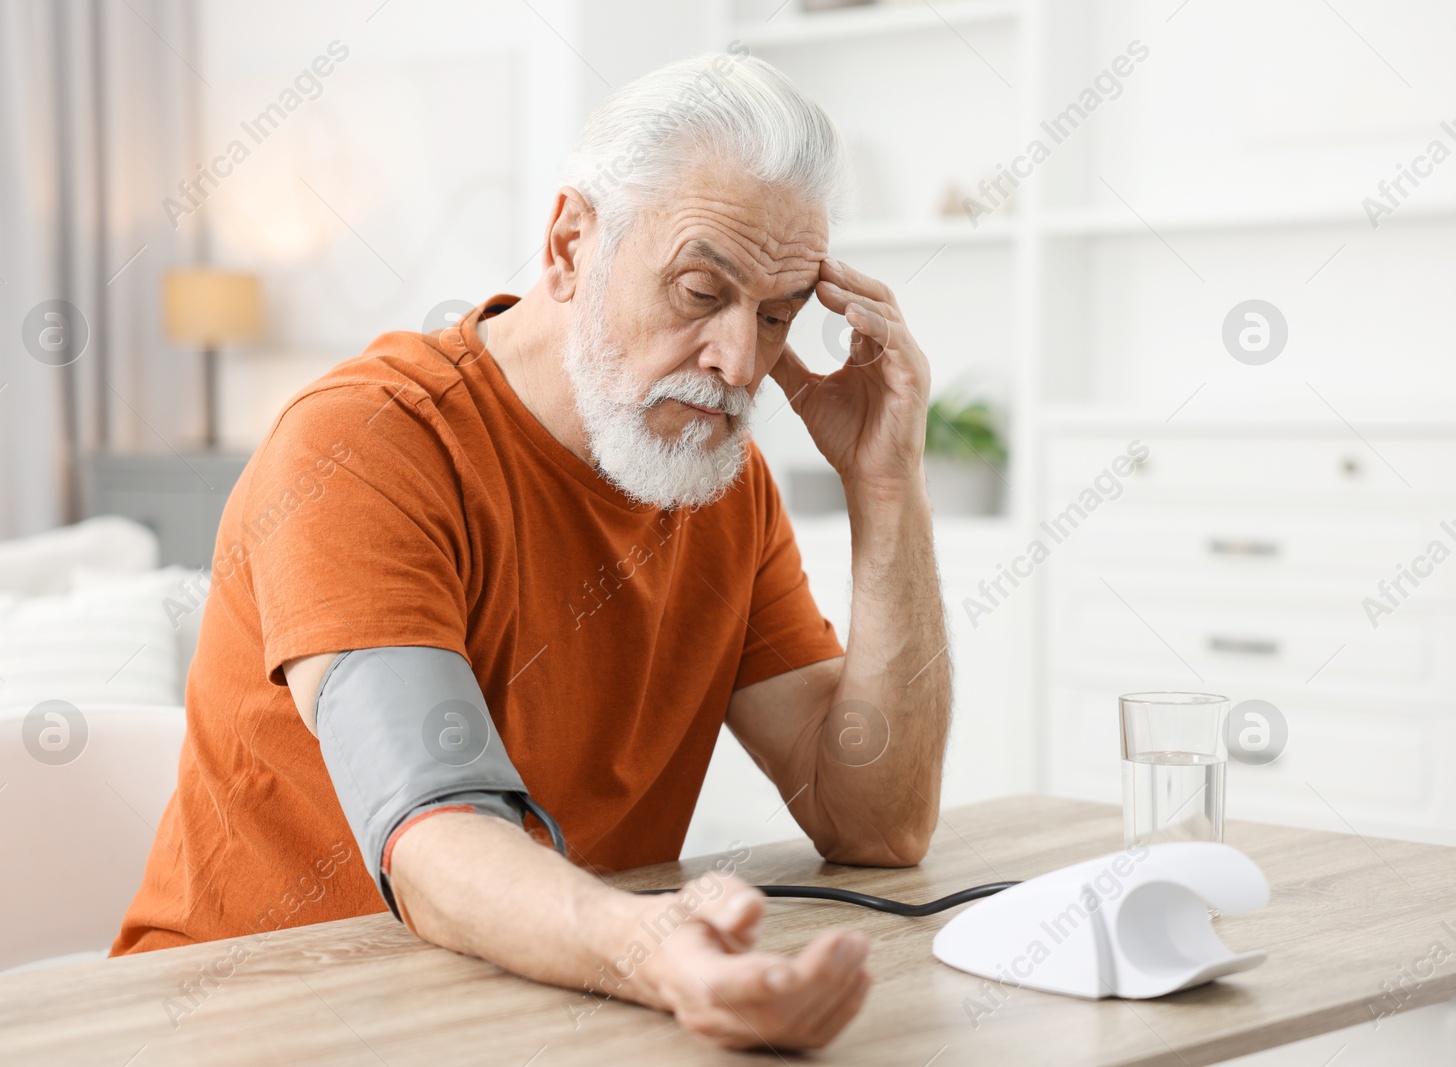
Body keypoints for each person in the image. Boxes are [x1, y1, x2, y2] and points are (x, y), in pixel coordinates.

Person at [112, 51, 950, 1051]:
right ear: (567, 245)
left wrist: (886, 488)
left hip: (524, 1009)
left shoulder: (716, 480)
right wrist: (650, 945)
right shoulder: (364, 444)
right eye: (698, 292)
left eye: (773, 317)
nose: (739, 362)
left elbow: (875, 820)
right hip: (245, 1025)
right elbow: (433, 829)